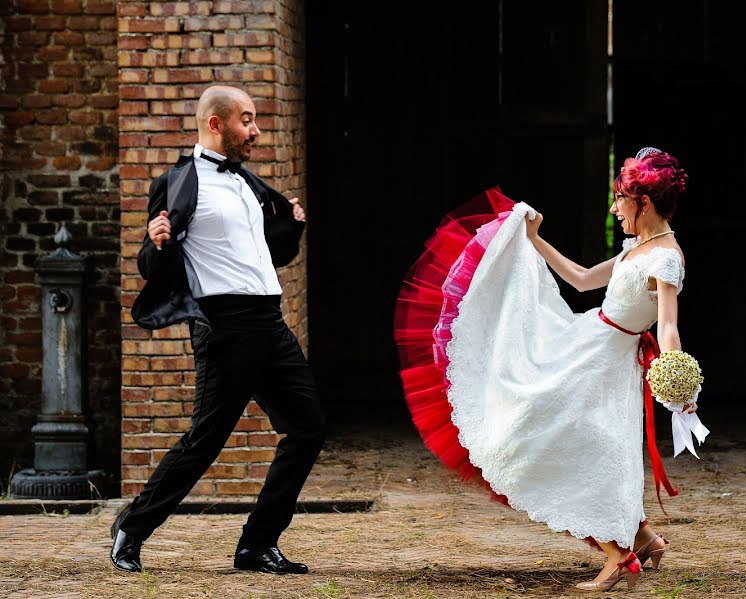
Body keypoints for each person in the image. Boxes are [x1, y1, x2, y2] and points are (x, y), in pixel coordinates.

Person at [394, 148, 700, 593]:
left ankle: (619, 555)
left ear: (644, 203)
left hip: (606, 359)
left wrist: (677, 379)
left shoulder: (665, 259)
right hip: (589, 344)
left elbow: (668, 326)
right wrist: (533, 239)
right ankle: (644, 538)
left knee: (577, 443)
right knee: (582, 438)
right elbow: (579, 278)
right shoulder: (639, 248)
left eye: (620, 199)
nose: (615, 208)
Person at [111, 85, 325, 575]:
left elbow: (265, 257)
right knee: (206, 440)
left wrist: (290, 224)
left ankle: (256, 544)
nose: (255, 130)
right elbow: (152, 264)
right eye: (246, 120)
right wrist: (156, 243)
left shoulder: (249, 185)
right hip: (224, 325)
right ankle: (132, 527)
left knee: (308, 427)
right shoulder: (178, 182)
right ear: (216, 123)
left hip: (269, 320)